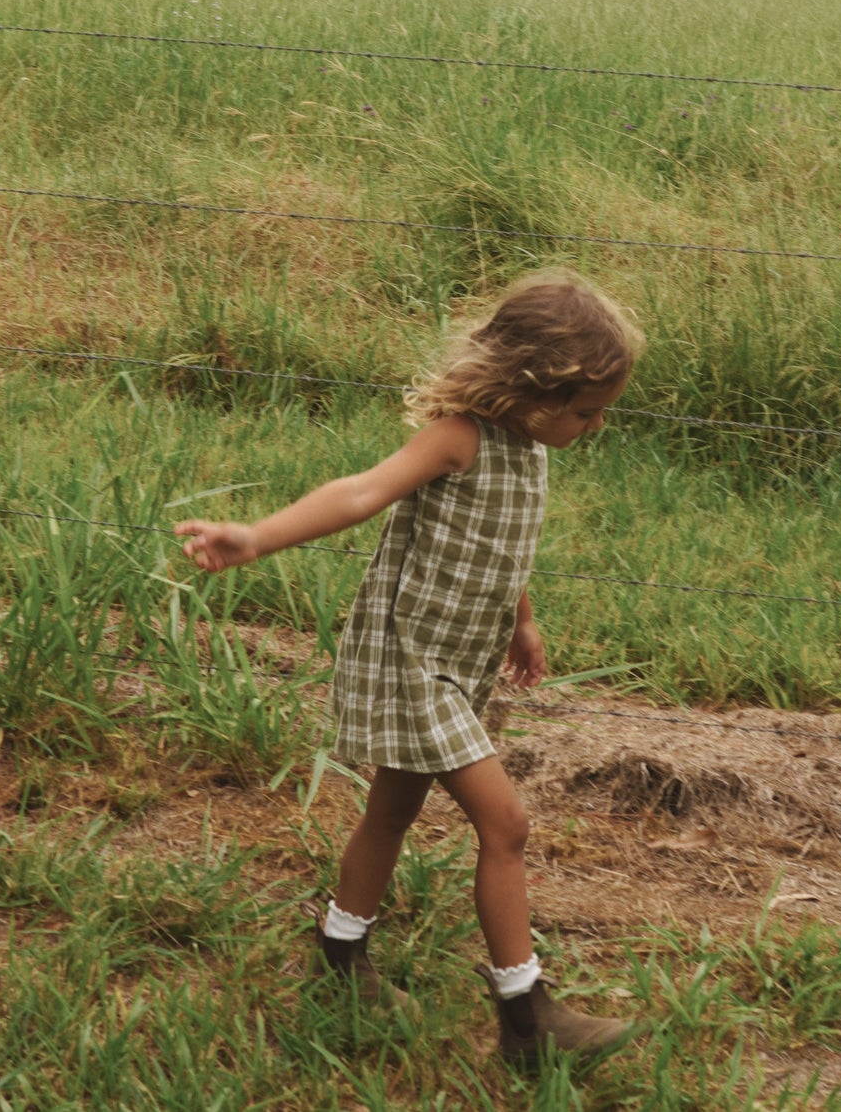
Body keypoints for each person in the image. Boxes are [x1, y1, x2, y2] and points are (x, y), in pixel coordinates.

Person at [174, 270, 645, 1069]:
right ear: (533, 391)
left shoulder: (531, 447)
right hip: (410, 659)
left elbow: (506, 544)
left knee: (391, 811)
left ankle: (337, 956)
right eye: (586, 411)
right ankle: (525, 1019)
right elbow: (361, 492)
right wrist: (256, 536)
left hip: (457, 659)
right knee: (506, 825)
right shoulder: (460, 437)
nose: (595, 426)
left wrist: (522, 622)